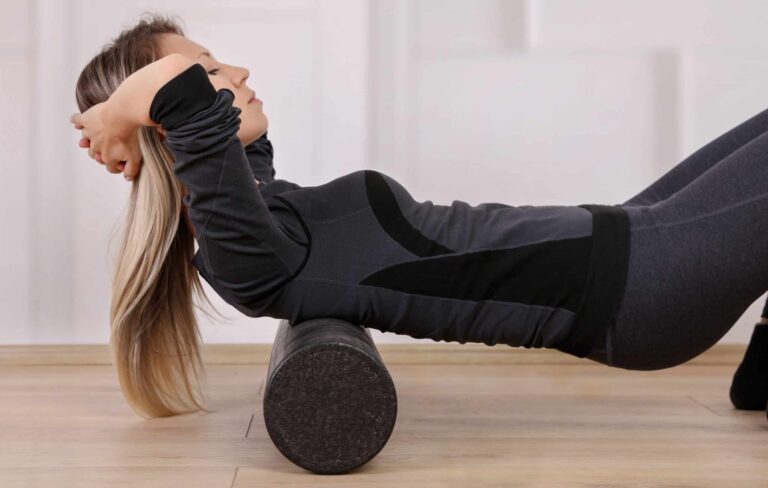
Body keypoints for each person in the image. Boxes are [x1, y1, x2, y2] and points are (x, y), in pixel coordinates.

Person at [71, 13, 768, 419]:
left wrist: (135, 120)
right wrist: (120, 115)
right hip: (640, 287)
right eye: (212, 68)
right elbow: (178, 103)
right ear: (169, 126)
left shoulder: (255, 201)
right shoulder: (242, 253)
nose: (241, 72)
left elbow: (204, 129)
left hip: (631, 234)